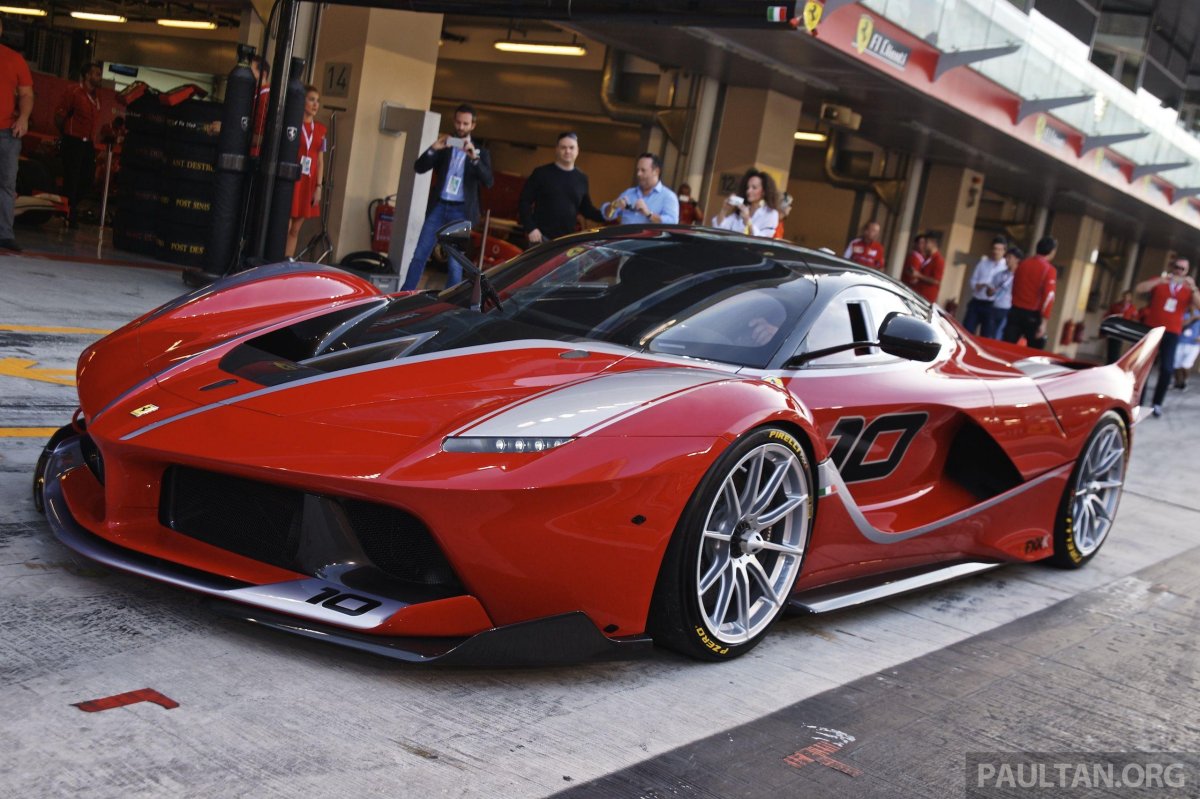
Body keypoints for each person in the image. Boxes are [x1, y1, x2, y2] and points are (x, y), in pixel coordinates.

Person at [401, 103, 493, 291]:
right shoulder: (445, 145)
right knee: (420, 254)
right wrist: (434, 148)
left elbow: (489, 181)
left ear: (473, 125)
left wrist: (473, 158)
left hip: (460, 210)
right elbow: (419, 167)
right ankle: (404, 295)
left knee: (454, 262)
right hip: (439, 206)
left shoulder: (480, 152)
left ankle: (451, 304)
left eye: (465, 124)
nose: (461, 127)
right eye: (458, 122)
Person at [1136, 256, 1200, 417]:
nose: (1178, 271)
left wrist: (1193, 288)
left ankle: (1157, 403)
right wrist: (1160, 281)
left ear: (1187, 272)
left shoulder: (1187, 289)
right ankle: (1138, 401)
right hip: (1152, 329)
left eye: (1182, 269)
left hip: (1172, 332)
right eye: (1177, 267)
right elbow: (1139, 289)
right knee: (1145, 366)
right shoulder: (1161, 282)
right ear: (1172, 267)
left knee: (1167, 368)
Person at [518, 131, 605, 246]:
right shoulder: (541, 173)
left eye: (571, 147)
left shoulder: (581, 178)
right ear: (556, 149)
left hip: (566, 242)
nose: (567, 151)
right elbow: (524, 201)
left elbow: (586, 209)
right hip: (540, 238)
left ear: (577, 150)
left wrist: (608, 213)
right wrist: (531, 228)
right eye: (563, 147)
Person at [55, 62, 102, 230]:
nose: (99, 77)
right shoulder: (74, 91)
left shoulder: (96, 98)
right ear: (87, 75)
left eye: (99, 73)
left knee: (88, 178)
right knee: (72, 178)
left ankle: (68, 205)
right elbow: (60, 115)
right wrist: (66, 134)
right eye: (96, 73)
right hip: (73, 140)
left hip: (88, 143)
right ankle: (69, 212)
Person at [0, 17, 33, 252]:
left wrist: (23, 117)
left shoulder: (15, 59)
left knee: (6, 184)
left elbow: (26, 94)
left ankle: (4, 234)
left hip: (7, 132)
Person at [285, 86, 326, 258]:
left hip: (308, 182)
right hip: (292, 179)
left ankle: (286, 263)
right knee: (284, 227)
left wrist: (319, 186)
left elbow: (320, 160)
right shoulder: (292, 125)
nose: (315, 104)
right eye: (311, 99)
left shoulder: (321, 130)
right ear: (302, 102)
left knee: (295, 230)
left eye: (317, 101)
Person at [1003, 236, 1058, 350]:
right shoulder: (1049, 270)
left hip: (1014, 310)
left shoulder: (1022, 264)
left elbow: (1014, 286)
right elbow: (1049, 297)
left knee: (1006, 348)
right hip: (1032, 315)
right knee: (1034, 352)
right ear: (1052, 251)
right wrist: (1044, 321)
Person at [602, 153, 679, 225]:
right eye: (638, 170)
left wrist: (648, 214)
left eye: (643, 170)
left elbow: (672, 224)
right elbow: (607, 216)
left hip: (649, 240)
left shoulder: (668, 196)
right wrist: (614, 205)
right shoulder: (628, 193)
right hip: (626, 239)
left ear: (656, 171)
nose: (638, 174)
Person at [711, 168, 779, 238]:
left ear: (764, 192)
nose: (748, 191)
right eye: (747, 187)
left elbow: (764, 239)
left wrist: (747, 220)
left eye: (754, 188)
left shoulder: (771, 214)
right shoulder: (742, 209)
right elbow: (719, 227)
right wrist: (724, 209)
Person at [962, 236, 1007, 335]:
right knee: (967, 331)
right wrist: (978, 285)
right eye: (995, 249)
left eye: (999, 249)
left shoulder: (1005, 267)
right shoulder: (983, 263)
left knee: (987, 334)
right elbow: (973, 280)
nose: (996, 252)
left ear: (1004, 251)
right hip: (977, 300)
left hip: (992, 305)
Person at [987, 245, 1022, 340]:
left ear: (1017, 259)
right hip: (995, 307)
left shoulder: (1020, 277)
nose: (1007, 259)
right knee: (990, 336)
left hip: (1008, 309)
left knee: (999, 336)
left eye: (1010, 257)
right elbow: (989, 293)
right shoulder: (999, 275)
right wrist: (990, 291)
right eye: (1006, 257)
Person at [1104, 289, 1140, 364]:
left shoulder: (1132, 308)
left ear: (1130, 298)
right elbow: (1108, 315)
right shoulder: (1116, 306)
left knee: (1119, 347)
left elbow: (1135, 319)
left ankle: (1117, 362)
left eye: (1128, 297)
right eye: (1125, 296)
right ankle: (1109, 362)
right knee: (1112, 346)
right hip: (1114, 328)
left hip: (1124, 330)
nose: (1126, 298)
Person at [910, 231, 944, 304]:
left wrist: (918, 275)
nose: (924, 245)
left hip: (926, 299)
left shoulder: (938, 260)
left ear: (933, 243)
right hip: (918, 295)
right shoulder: (927, 257)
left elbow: (936, 281)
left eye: (926, 242)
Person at [1173, 306, 1200, 391]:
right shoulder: (1182, 312)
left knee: (1185, 365)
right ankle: (1177, 383)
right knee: (1176, 365)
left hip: (1194, 344)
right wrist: (1192, 319)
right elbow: (1178, 324)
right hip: (1180, 341)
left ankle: (1185, 381)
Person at [249, 56, 270, 159]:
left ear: (263, 74)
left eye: (250, 71)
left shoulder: (264, 97)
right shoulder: (255, 93)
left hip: (255, 154)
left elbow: (260, 136)